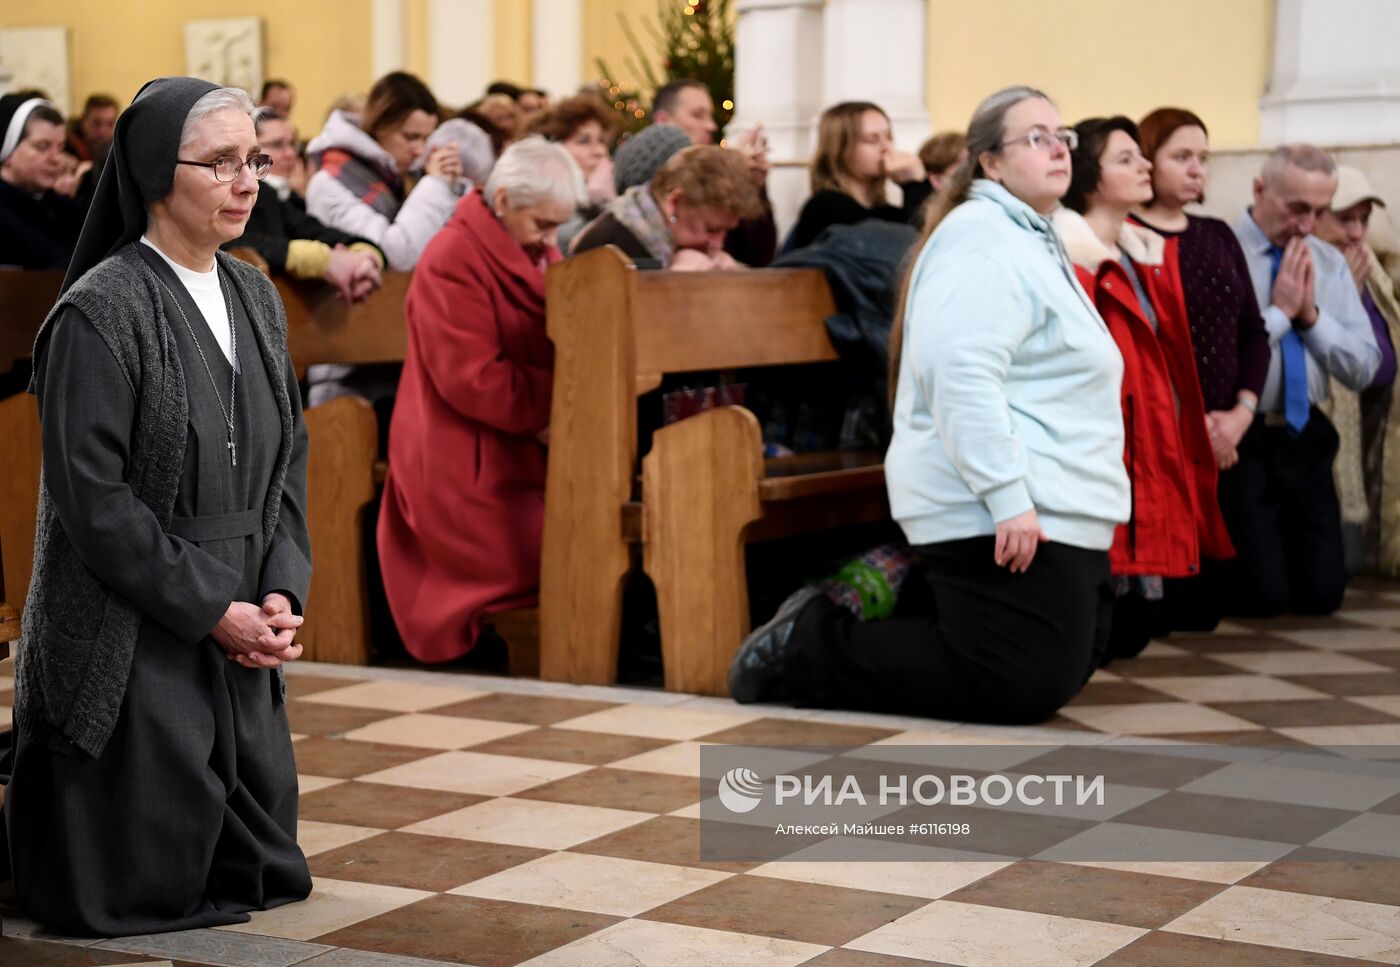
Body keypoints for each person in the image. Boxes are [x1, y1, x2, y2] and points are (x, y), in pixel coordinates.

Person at [7, 78, 312, 935]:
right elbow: (95, 506)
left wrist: (282, 588)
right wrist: (214, 608)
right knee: (144, 880)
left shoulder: (256, 295)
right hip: (137, 625)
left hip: (246, 607)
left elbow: (290, 460)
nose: (248, 180)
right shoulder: (99, 312)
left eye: (254, 158)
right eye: (220, 163)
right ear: (151, 172)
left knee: (266, 874)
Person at [729, 86, 1128, 723]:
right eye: (1036, 137)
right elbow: (960, 374)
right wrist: (1007, 494)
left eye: (1064, 136)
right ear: (989, 163)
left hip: (1061, 493)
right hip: (1001, 500)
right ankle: (806, 646)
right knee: (1014, 682)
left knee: (1070, 660)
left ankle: (898, 587)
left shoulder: (1032, 235)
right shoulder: (982, 240)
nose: (1058, 148)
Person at [377, 138, 583, 662]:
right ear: (506, 199)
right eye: (542, 225)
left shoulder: (534, 246)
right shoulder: (453, 256)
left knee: (585, 535)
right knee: (548, 549)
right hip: (460, 448)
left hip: (521, 436)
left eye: (558, 227)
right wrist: (555, 412)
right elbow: (472, 377)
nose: (551, 241)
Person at [1053, 116, 1232, 660]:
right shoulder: (1071, 257)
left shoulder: (1144, 254)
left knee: (1138, 631)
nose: (1145, 165)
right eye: (1126, 158)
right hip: (1103, 444)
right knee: (1107, 635)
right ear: (1090, 177)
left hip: (1149, 442)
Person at [1129, 107, 1270, 633]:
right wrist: (1189, 423)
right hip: (1161, 436)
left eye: (1203, 159)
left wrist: (1240, 413)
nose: (1196, 170)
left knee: (1219, 604)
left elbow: (1253, 332)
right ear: (1148, 162)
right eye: (1181, 157)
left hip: (1226, 435)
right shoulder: (1127, 236)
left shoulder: (1217, 235)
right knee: (1169, 613)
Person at [1227, 145, 1380, 615]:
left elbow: (1363, 367)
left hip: (1305, 432)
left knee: (1322, 596)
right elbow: (1216, 361)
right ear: (1260, 190)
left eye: (1319, 211)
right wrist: (1279, 314)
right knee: (1264, 598)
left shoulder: (1327, 262)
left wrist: (1311, 317)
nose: (1308, 225)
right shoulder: (1222, 250)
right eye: (1297, 209)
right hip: (1242, 437)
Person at [1314, 165, 1400, 574]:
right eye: (1345, 219)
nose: (1356, 234)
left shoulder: (1370, 265)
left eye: (1363, 220)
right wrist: (1339, 295)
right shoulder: (1312, 267)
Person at [305, 71, 463, 271]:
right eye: (411, 137)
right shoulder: (329, 182)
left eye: (426, 138)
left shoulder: (410, 173)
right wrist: (435, 185)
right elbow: (396, 257)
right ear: (380, 126)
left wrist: (454, 187)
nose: (420, 150)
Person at [224, 110, 384, 304]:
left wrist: (364, 257)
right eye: (277, 144)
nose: (291, 154)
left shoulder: (283, 199)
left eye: (293, 144)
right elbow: (230, 243)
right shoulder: (243, 194)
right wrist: (320, 260)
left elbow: (320, 232)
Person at [572, 144, 764, 270]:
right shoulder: (608, 246)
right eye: (712, 229)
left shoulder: (678, 230)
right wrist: (674, 285)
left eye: (725, 231)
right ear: (674, 203)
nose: (718, 243)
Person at [649, 79, 777, 266]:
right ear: (663, 120)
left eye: (710, 116)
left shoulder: (716, 174)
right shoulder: (650, 171)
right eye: (697, 115)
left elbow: (758, 257)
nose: (711, 126)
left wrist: (749, 183)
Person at [784, 101, 933, 253]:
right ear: (841, 150)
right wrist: (913, 185)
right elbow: (888, 251)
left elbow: (930, 242)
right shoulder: (825, 207)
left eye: (889, 137)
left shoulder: (888, 213)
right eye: (871, 139)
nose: (886, 147)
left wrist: (916, 185)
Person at [0, 94, 85, 269]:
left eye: (60, 147)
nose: (56, 159)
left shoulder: (65, 207)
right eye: (43, 146)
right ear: (8, 152)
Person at [527, 94, 618, 251]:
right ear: (553, 148)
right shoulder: (544, 200)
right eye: (584, 141)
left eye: (602, 141)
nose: (600, 151)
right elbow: (581, 248)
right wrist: (605, 204)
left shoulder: (603, 192)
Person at [65, 93, 118, 166]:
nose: (102, 131)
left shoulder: (118, 149)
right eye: (96, 123)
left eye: (110, 124)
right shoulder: (65, 147)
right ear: (83, 120)